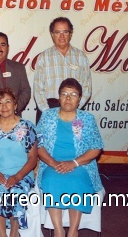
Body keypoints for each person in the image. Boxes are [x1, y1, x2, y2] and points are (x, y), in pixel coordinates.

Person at [36, 78, 104, 237]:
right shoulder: (47, 116)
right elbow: (37, 144)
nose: (68, 98)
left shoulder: (87, 118)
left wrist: (73, 163)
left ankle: (73, 230)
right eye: (64, 94)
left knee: (77, 181)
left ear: (80, 99)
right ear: (58, 97)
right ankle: (58, 230)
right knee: (51, 180)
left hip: (81, 165)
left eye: (73, 94)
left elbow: (96, 148)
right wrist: (53, 163)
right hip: (51, 165)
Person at [0, 87, 38, 237]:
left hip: (21, 174)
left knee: (16, 192)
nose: (4, 106)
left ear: (15, 105)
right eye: (0, 103)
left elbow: (32, 159)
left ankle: (14, 234)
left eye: (8, 102)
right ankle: (2, 234)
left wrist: (17, 177)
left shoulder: (27, 126)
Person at [34, 17, 92, 123]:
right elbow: (38, 90)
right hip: (48, 109)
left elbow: (87, 88)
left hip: (75, 110)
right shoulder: (44, 57)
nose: (61, 36)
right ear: (52, 34)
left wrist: (75, 109)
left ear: (70, 33)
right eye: (57, 32)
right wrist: (47, 113)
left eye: (65, 32)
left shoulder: (81, 56)